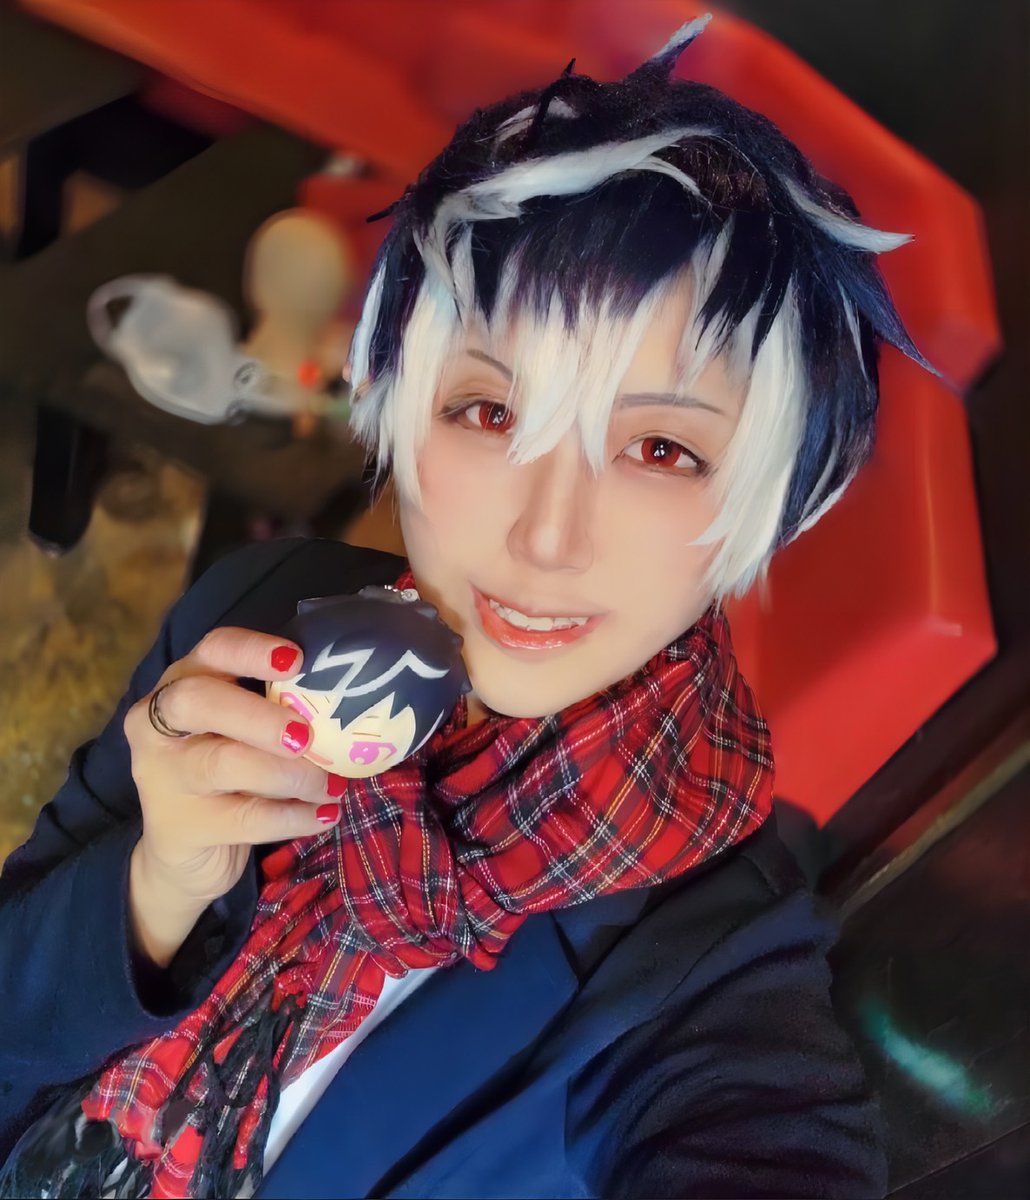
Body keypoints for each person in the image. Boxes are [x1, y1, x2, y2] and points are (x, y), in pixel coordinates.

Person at [0, 16, 929, 1199]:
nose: (545, 538)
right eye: (489, 413)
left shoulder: (701, 958)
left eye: (659, 448)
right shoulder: (259, 618)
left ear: (770, 500)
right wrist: (155, 887)